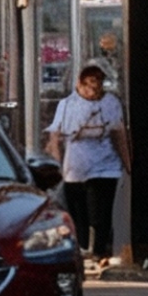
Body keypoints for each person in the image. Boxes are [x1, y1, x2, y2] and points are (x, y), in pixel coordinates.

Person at [46, 65, 130, 270]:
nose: (94, 92)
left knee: (100, 211)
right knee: (79, 213)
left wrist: (127, 163)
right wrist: (57, 166)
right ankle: (83, 248)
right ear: (79, 85)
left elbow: (119, 134)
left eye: (98, 86)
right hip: (75, 168)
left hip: (105, 167)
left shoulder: (110, 103)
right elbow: (55, 137)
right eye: (89, 87)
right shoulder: (67, 105)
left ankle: (99, 249)